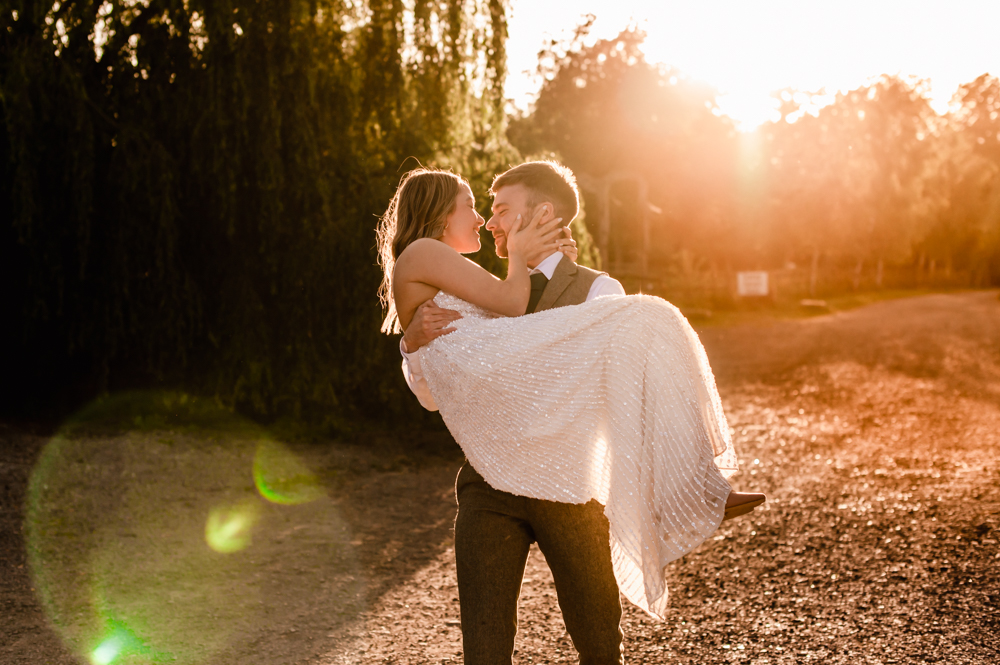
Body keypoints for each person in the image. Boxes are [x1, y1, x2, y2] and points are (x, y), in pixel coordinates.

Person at [377, 162, 764, 665]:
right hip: (490, 484)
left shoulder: (599, 292)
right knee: (485, 648)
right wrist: (411, 344)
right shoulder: (483, 281)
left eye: (497, 210)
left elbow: (611, 389)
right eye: (478, 209)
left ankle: (695, 482)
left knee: (599, 643)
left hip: (570, 488)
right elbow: (442, 388)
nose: (487, 222)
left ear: (541, 214)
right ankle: (699, 486)